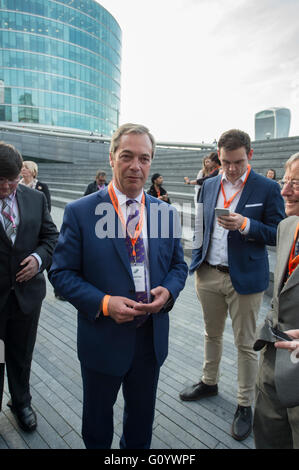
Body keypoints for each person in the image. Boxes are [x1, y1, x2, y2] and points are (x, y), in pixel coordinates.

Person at [49, 123, 188, 449]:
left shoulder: (166, 213)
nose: (136, 166)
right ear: (112, 157)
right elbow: (60, 273)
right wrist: (104, 303)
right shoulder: (80, 212)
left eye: (144, 158)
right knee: (97, 427)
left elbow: (179, 266)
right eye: (127, 156)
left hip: (150, 340)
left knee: (141, 427)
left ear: (151, 162)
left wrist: (168, 291)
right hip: (103, 338)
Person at [179, 129, 285, 441]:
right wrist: (197, 260)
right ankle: (208, 381)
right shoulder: (210, 184)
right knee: (210, 333)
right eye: (225, 162)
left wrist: (247, 225)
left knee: (245, 344)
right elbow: (200, 223)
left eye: (237, 162)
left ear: (249, 155)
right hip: (208, 273)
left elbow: (278, 231)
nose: (231, 169)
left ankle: (244, 404)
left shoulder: (266, 188)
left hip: (246, 278)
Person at [0, 142, 58, 431]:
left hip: (27, 299)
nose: (7, 189)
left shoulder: (35, 199)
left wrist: (38, 259)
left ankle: (21, 402)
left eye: (12, 182)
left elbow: (51, 237)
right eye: (1, 183)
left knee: (22, 354)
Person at [253, 152, 299, 448]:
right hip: (272, 361)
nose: (284, 191)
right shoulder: (287, 227)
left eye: (296, 183)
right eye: (285, 181)